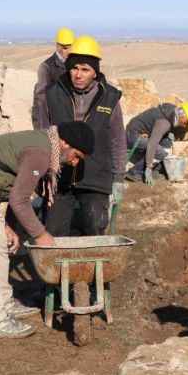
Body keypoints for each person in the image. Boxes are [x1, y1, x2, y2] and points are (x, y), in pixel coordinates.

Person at [0, 122, 95, 339]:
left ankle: (4, 304)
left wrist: (8, 225)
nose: (74, 162)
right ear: (65, 143)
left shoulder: (45, 145)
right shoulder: (40, 153)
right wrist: (41, 235)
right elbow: (19, 199)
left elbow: (13, 186)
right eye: (77, 155)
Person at [43, 35, 127, 237]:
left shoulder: (110, 97)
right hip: (60, 175)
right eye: (74, 68)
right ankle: (58, 268)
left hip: (96, 176)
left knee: (94, 224)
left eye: (85, 69)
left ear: (95, 72)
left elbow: (117, 140)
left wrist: (118, 178)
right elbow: (43, 133)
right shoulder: (53, 93)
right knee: (54, 230)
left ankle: (90, 267)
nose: (78, 75)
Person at [124, 101, 188, 185]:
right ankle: (135, 172)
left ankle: (156, 169)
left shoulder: (172, 112)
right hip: (133, 135)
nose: (185, 125)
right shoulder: (164, 123)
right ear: (182, 116)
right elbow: (152, 144)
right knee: (159, 152)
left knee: (167, 143)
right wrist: (148, 167)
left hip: (142, 132)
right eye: (186, 122)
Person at [32, 27, 74, 129]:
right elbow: (41, 101)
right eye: (64, 48)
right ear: (57, 46)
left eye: (70, 47)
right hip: (54, 124)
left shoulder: (74, 64)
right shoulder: (46, 67)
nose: (68, 51)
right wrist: (43, 131)